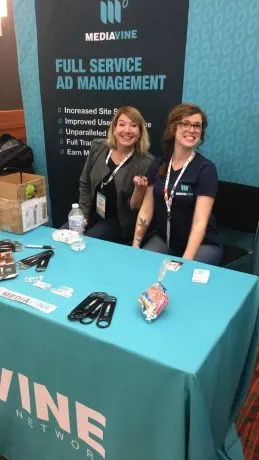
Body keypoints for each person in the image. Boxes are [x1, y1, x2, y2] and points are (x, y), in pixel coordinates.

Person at [132, 103, 222, 265]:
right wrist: (135, 246)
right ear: (173, 128)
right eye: (185, 124)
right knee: (140, 266)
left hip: (202, 244)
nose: (192, 129)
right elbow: (146, 209)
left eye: (197, 126)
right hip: (166, 241)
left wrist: (185, 262)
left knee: (179, 282)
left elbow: (200, 222)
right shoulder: (158, 165)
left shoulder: (205, 169)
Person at [78, 106, 153, 242]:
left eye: (133, 125)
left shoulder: (146, 163)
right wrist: (83, 215)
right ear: (114, 128)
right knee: (65, 236)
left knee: (86, 242)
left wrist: (139, 189)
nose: (127, 130)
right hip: (93, 214)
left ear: (140, 132)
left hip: (117, 222)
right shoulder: (98, 147)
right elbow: (85, 183)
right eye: (122, 124)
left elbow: (134, 208)